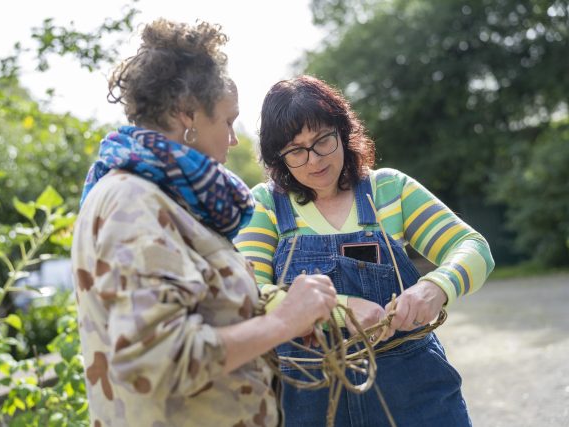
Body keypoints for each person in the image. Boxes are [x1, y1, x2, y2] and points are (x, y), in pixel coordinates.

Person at [71, 22, 338, 427]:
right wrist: (284, 322)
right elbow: (152, 361)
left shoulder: (165, 195)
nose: (233, 139)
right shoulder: (133, 201)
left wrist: (279, 311)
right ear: (188, 115)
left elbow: (203, 307)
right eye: (228, 121)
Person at [234, 75, 495, 426]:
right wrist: (341, 312)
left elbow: (473, 247)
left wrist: (435, 288)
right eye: (296, 150)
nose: (314, 160)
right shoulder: (264, 205)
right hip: (308, 399)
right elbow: (247, 294)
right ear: (278, 157)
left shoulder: (389, 189)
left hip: (415, 394)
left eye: (323, 140)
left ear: (342, 131)